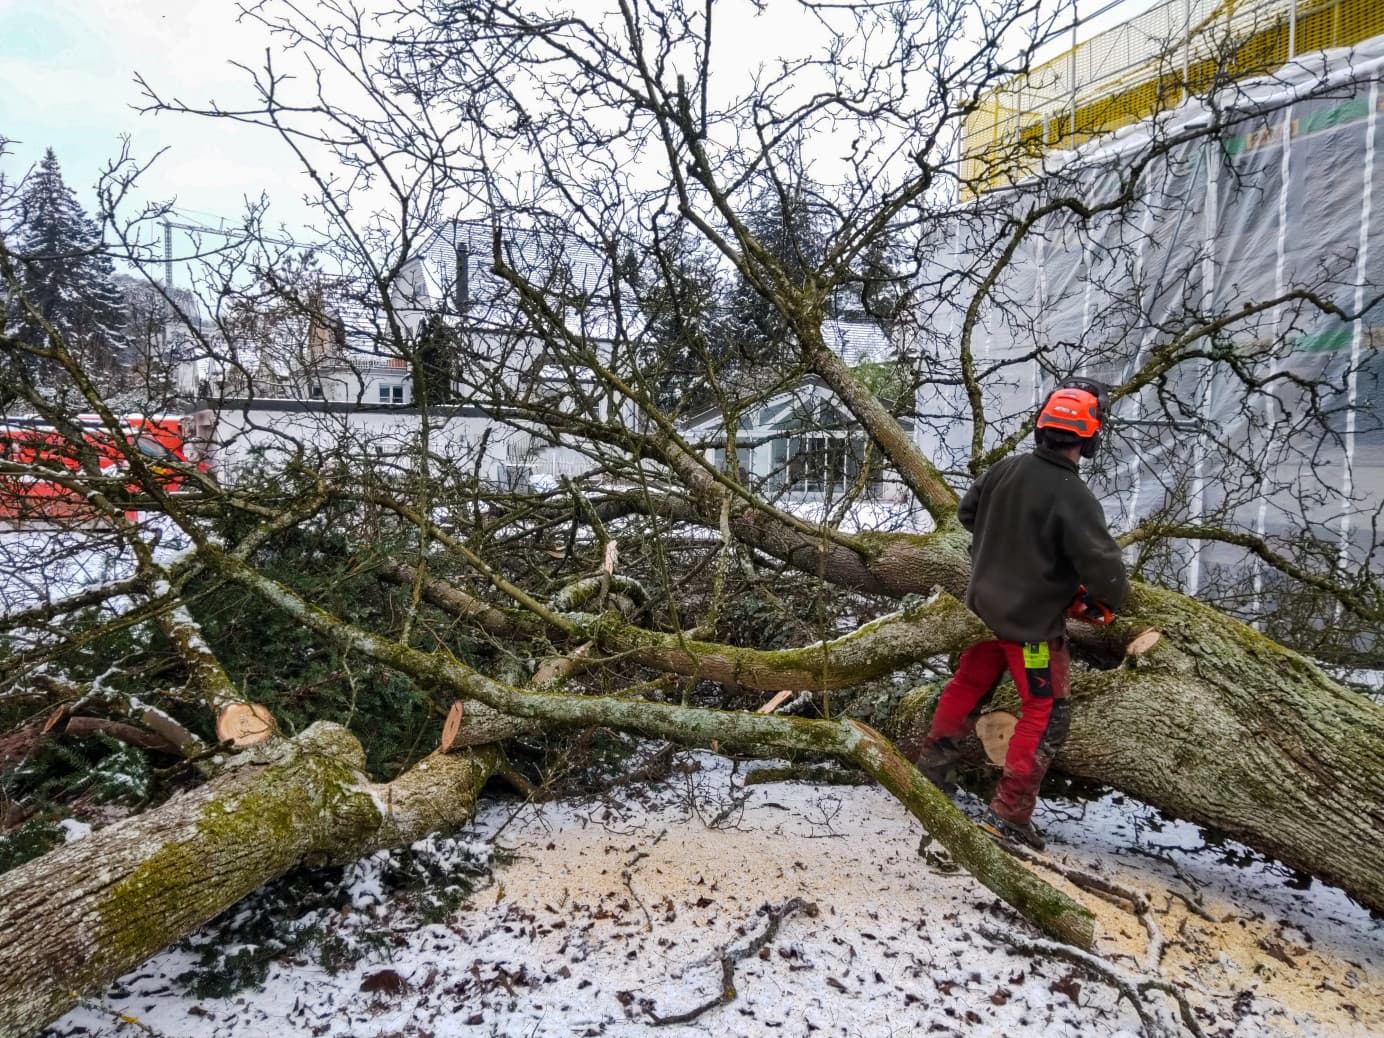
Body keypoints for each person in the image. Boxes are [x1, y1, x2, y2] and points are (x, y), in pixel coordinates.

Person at [912, 379, 1129, 850]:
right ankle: (1008, 813)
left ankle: (929, 776)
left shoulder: (1005, 470)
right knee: (1045, 711)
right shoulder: (1073, 495)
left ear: (1042, 429)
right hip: (1030, 632)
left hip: (981, 613)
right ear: (1089, 438)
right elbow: (1105, 569)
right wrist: (1109, 601)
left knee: (966, 687)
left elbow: (969, 514)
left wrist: (1006, 542)